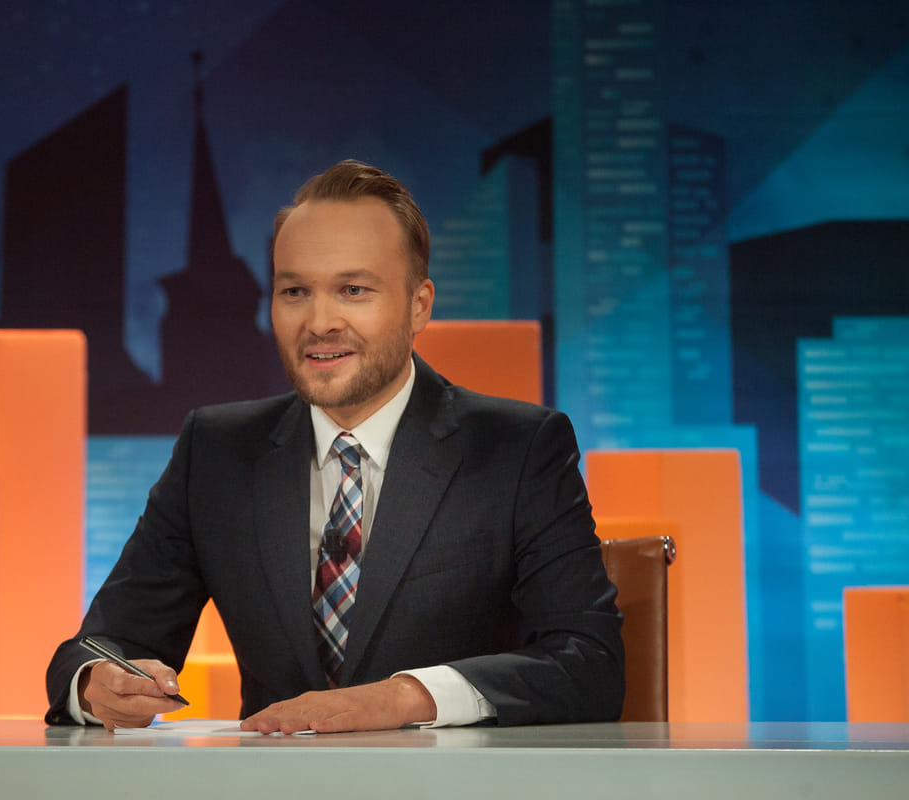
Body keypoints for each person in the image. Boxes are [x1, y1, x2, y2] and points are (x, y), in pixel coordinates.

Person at [45, 160, 624, 733]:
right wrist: (97, 684)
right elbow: (97, 648)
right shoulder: (216, 452)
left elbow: (588, 662)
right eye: (295, 291)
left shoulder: (517, 450)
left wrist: (408, 698)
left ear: (419, 305)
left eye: (353, 290)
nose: (320, 322)